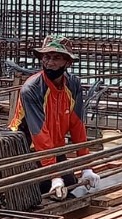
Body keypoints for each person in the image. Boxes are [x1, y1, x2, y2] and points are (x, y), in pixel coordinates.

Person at [8, 34, 100, 201]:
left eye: (56, 58)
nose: (50, 63)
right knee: (40, 196)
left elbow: (77, 125)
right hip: (27, 151)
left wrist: (87, 167)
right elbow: (39, 134)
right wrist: (54, 175)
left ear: (68, 62)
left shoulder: (73, 85)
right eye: (47, 57)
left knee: (70, 186)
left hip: (55, 148)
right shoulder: (32, 89)